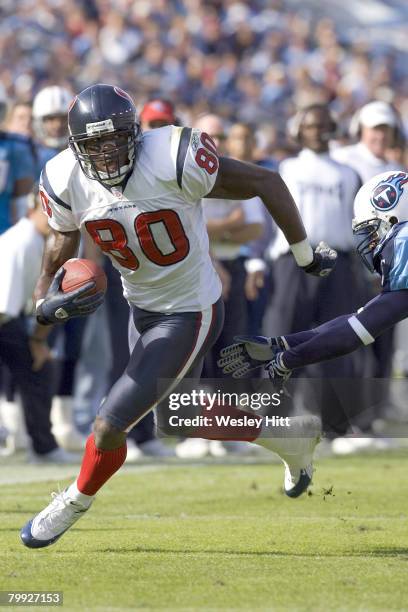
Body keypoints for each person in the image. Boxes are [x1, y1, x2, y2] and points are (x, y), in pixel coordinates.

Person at [20, 83, 336, 549]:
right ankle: (287, 438)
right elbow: (63, 233)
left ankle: (73, 501)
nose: (106, 153)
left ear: (137, 133)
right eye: (93, 144)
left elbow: (265, 182)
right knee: (175, 412)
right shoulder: (64, 176)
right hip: (141, 305)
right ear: (75, 147)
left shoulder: (171, 154)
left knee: (111, 423)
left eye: (115, 139)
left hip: (191, 309)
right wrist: (46, 287)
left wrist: (305, 253)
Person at [219, 170, 408, 433]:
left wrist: (289, 359)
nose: (371, 242)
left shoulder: (404, 242)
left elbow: (352, 335)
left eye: (373, 231)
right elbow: (355, 322)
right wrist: (282, 344)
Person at [0, 194, 75, 462]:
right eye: (48, 211)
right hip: (4, 318)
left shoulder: (33, 239)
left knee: (38, 365)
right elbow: (4, 309)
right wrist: (35, 343)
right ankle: (43, 447)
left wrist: (36, 342)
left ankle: (41, 445)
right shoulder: (24, 242)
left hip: (7, 319)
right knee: (39, 367)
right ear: (32, 209)